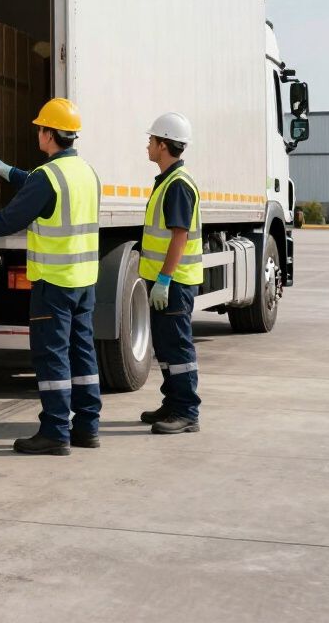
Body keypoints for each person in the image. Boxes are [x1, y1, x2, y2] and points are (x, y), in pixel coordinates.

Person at [0, 99, 101, 456]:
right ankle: (87, 427)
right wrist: (8, 171)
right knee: (83, 354)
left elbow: (11, 218)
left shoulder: (48, 177)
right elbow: (41, 189)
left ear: (49, 134)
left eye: (40, 128)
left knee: (51, 356)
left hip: (53, 283)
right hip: (84, 281)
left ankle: (54, 432)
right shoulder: (85, 171)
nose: (38, 133)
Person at [138, 112, 203, 435]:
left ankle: (187, 411)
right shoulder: (168, 181)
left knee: (177, 348)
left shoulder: (177, 185)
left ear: (163, 145)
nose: (147, 145)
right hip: (165, 281)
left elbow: (179, 235)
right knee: (165, 347)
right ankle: (173, 402)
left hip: (174, 283)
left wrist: (164, 279)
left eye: (151, 140)